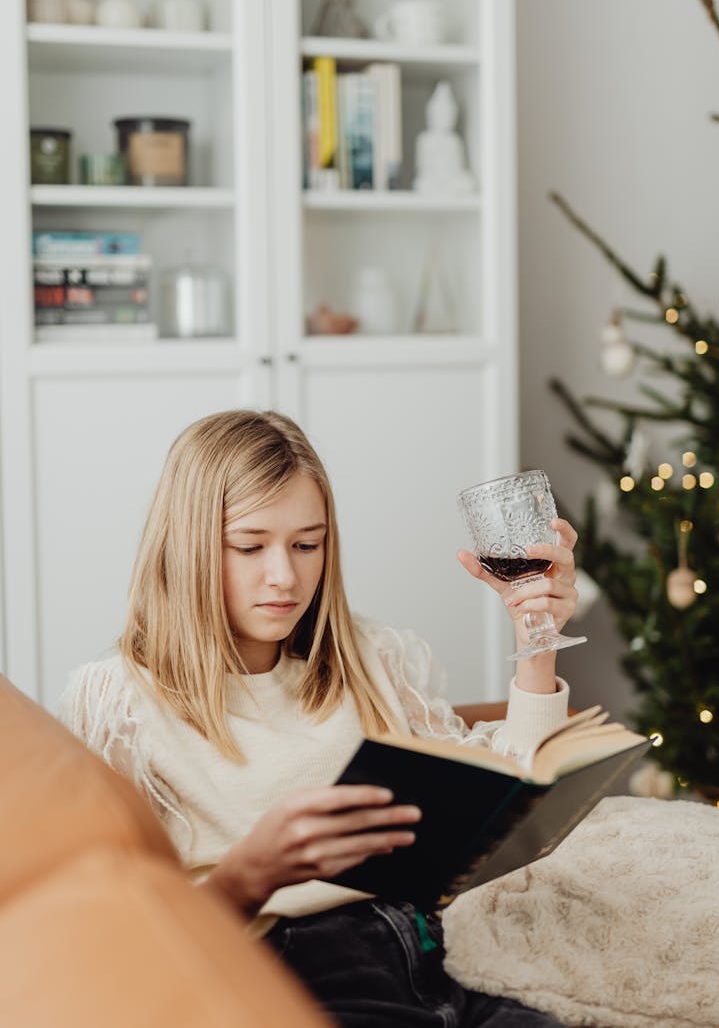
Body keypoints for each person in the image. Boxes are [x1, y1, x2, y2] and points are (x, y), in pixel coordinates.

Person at [58, 409, 581, 1028]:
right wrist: (249, 875)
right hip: (283, 969)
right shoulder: (118, 702)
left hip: (428, 952)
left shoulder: (373, 658)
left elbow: (507, 793)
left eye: (308, 544)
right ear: (189, 543)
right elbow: (114, 936)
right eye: (249, 546)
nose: (285, 576)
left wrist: (537, 637)